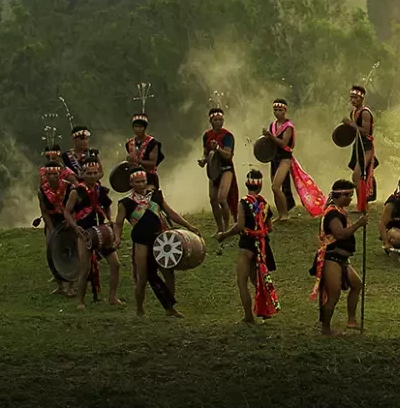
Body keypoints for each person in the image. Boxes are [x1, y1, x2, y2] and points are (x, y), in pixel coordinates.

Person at [113, 167, 201, 319]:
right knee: (142, 278)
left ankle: (170, 307)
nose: (141, 184)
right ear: (131, 183)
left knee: (168, 273)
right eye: (137, 182)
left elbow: (170, 213)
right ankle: (139, 310)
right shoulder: (125, 203)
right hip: (141, 242)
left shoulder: (156, 196)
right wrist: (117, 238)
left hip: (160, 239)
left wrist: (189, 226)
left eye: (143, 181)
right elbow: (118, 223)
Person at [216, 170, 279, 324]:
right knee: (257, 280)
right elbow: (269, 228)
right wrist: (259, 230)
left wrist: (224, 234)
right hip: (261, 246)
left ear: (246, 183)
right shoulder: (265, 204)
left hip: (247, 246)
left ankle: (248, 317)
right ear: (260, 186)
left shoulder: (243, 203)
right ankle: (265, 311)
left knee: (242, 282)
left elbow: (239, 226)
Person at [309, 179, 367, 336]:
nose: (351, 199)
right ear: (341, 195)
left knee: (357, 284)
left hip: (341, 259)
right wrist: (358, 224)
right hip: (332, 258)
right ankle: (326, 329)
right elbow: (340, 234)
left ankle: (351, 320)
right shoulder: (333, 213)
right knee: (333, 295)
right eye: (349, 196)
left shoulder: (338, 210)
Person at [64, 156, 120, 309]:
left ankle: (112, 297)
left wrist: (110, 218)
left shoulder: (100, 190)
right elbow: (67, 212)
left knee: (115, 264)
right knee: (85, 269)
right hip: (85, 234)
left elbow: (107, 206)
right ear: (82, 174)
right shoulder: (77, 192)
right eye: (88, 173)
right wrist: (76, 228)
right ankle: (80, 302)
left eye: (95, 173)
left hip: (102, 232)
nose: (92, 176)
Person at [198, 107, 238, 236]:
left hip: (226, 169)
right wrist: (203, 161)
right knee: (213, 200)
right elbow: (206, 153)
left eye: (221, 120)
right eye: (216, 120)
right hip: (213, 170)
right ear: (211, 121)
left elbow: (228, 155)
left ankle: (226, 228)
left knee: (222, 199)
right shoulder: (207, 136)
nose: (219, 122)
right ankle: (220, 228)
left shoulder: (227, 136)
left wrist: (218, 148)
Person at [38, 159, 74, 296]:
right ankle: (60, 285)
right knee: (52, 250)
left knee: (72, 249)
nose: (53, 176)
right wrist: (52, 229)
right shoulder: (42, 191)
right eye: (50, 174)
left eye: (55, 174)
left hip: (69, 219)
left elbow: (73, 208)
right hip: (53, 220)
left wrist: (70, 222)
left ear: (60, 174)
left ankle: (70, 286)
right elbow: (44, 212)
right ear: (45, 176)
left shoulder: (69, 188)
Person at [343, 85, 378, 199]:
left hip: (366, 148)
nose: (353, 100)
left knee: (357, 176)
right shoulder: (353, 113)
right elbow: (354, 132)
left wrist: (350, 124)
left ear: (362, 98)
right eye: (352, 97)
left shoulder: (365, 113)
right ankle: (362, 204)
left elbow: (365, 132)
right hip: (358, 146)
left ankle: (362, 204)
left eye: (356, 98)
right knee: (360, 176)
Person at [263, 98, 295, 220]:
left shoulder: (288, 126)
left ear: (285, 111)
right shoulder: (272, 125)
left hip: (285, 158)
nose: (277, 112)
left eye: (280, 110)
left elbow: (283, 143)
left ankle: (285, 214)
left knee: (275, 186)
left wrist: (270, 136)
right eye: (275, 110)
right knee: (275, 187)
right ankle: (281, 214)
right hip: (274, 158)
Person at [126, 113, 164, 189]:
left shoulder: (153, 143)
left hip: (149, 178)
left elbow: (152, 164)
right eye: (136, 127)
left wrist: (138, 160)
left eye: (140, 127)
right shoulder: (129, 143)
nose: (138, 129)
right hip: (135, 179)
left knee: (152, 198)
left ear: (145, 128)